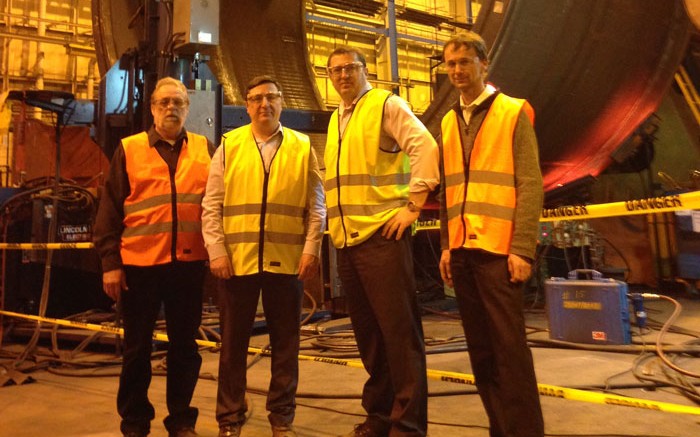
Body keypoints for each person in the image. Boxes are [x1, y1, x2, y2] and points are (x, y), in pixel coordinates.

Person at [201, 75, 326, 437]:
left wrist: (311, 249)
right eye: (256, 99)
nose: (263, 105)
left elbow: (316, 206)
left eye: (271, 97)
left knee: (286, 346)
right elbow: (211, 205)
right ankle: (229, 417)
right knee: (232, 346)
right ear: (247, 106)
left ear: (281, 102)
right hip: (236, 264)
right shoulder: (229, 145)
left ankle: (282, 418)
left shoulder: (302, 147)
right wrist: (217, 251)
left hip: (287, 263)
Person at [324, 47, 439, 437]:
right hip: (348, 242)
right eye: (335, 70)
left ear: (364, 70)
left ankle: (406, 425)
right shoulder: (337, 118)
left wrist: (413, 206)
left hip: (381, 239)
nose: (342, 75)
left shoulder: (385, 105)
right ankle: (379, 415)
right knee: (371, 339)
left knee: (399, 337)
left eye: (349, 68)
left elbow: (425, 147)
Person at [438, 31, 545, 437]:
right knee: (481, 353)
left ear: (485, 64)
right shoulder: (449, 120)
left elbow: (531, 182)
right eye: (451, 64)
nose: (458, 70)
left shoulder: (512, 111)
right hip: (464, 251)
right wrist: (447, 245)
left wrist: (522, 248)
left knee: (510, 353)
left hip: (500, 252)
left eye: (465, 62)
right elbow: (451, 189)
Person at [93, 77, 210, 437]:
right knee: (137, 348)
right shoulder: (130, 149)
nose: (171, 108)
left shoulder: (206, 148)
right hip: (140, 268)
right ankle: (135, 421)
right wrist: (111, 264)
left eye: (178, 102)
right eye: (164, 103)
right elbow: (109, 211)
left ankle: (181, 420)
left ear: (188, 108)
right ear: (153, 109)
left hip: (188, 267)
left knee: (185, 349)